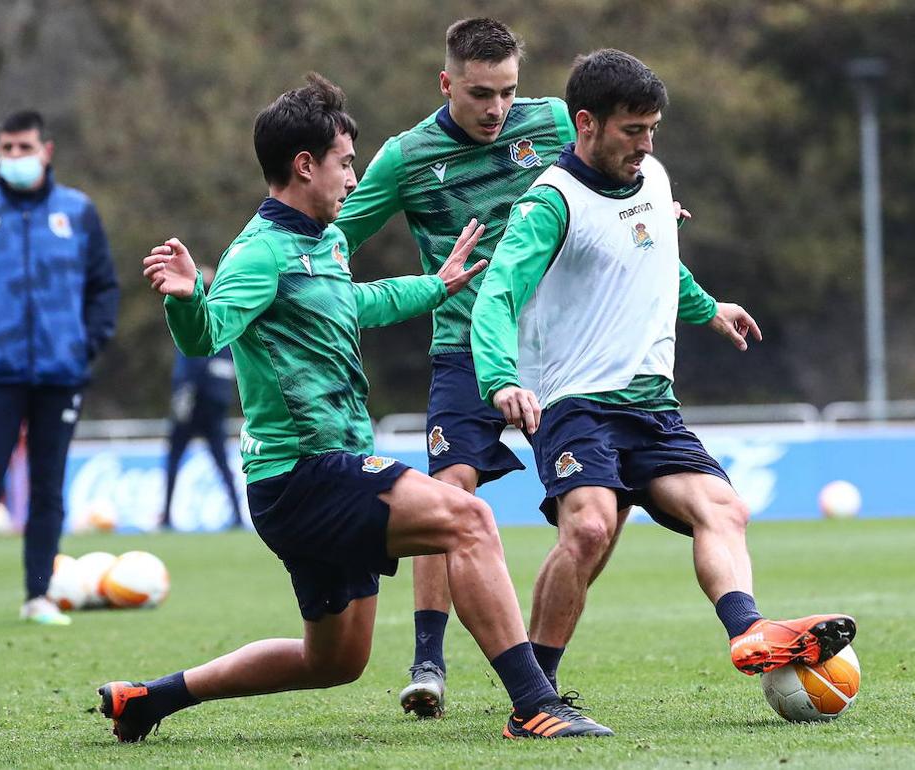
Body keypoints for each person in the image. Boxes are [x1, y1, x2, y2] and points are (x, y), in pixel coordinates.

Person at [98, 73, 611, 742]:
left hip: (309, 481)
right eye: (345, 162)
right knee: (470, 520)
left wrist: (435, 287)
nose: (354, 176)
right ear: (304, 165)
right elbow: (207, 334)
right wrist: (186, 296)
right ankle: (533, 702)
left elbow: (357, 305)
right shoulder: (258, 253)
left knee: (334, 660)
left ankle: (148, 699)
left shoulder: (325, 241)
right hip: (303, 473)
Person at [334, 17, 720, 717]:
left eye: (508, 92)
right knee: (450, 491)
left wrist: (653, 212)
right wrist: (278, 279)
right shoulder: (404, 158)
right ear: (446, 83)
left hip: (564, 352)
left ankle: (540, 668)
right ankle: (429, 659)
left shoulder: (555, 121)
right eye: (480, 93)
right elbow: (332, 237)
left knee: (602, 511)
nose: (497, 110)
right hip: (466, 342)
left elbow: (617, 184)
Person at [469, 50, 857, 705]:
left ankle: (749, 631)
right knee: (591, 529)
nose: (646, 145)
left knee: (724, 509)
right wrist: (501, 378)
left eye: (653, 130)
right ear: (585, 123)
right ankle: (536, 691)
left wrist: (708, 308)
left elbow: (656, 256)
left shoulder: (651, 176)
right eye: (633, 130)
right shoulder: (551, 203)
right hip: (575, 403)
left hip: (651, 406)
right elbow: (497, 294)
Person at [0, 110, 119, 626]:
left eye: (25, 148)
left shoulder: (79, 211)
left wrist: (86, 344)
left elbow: (104, 287)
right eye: (6, 149)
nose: (15, 158)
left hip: (59, 374)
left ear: (46, 150)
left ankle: (38, 596)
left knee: (47, 490)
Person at [161, 266, 243, 531]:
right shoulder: (225, 323)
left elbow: (187, 367)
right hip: (214, 404)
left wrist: (183, 396)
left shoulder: (193, 321)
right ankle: (237, 515)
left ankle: (166, 517)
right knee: (220, 462)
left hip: (196, 403)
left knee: (176, 459)